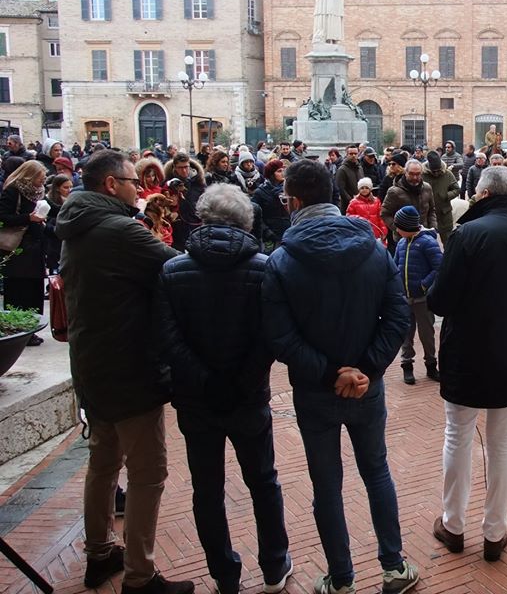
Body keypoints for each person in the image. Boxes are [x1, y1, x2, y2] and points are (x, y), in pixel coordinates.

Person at [260, 159, 419, 594]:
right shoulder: (371, 247)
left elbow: (281, 338)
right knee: (376, 472)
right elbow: (398, 313)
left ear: (292, 200)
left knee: (326, 485)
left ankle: (343, 579)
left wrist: (334, 373)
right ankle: (393, 567)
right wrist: (365, 370)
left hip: (316, 390)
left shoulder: (280, 260)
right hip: (364, 387)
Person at [56, 150, 190, 594]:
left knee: (103, 461)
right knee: (147, 473)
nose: (139, 188)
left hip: (92, 364)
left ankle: (100, 553)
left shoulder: (76, 224)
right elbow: (176, 265)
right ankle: (140, 574)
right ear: (110, 185)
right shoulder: (118, 229)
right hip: (129, 367)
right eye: (133, 181)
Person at [156, 185, 291, 594]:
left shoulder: (173, 269)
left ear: (202, 217)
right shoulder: (266, 267)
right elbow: (270, 336)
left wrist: (205, 381)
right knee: (263, 482)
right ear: (245, 221)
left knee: (207, 489)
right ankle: (273, 568)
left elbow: (168, 338)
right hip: (247, 397)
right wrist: (241, 381)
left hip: (197, 400)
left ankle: (224, 575)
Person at [428, 166, 507, 563]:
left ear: (481, 194)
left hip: (468, 353)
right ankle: (495, 533)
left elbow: (441, 301)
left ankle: (454, 524)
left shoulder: (467, 233)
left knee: (457, 437)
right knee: (502, 444)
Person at [393, 205, 442, 385]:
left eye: (399, 226)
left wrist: (423, 285)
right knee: (406, 333)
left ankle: (431, 364)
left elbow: (438, 267)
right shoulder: (401, 243)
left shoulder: (427, 243)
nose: (396, 229)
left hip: (422, 299)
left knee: (426, 333)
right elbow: (394, 266)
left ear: (407, 227)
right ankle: (407, 365)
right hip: (405, 298)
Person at [0, 160, 49, 339]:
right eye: (40, 178)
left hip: (35, 249)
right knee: (19, 291)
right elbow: (3, 217)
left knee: (34, 290)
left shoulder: (37, 192)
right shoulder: (13, 190)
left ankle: (31, 329)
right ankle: (18, 330)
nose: (42, 182)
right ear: (30, 175)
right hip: (18, 250)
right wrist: (28, 218)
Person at [380, 160, 437, 238]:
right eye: (411, 174)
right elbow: (385, 213)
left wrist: (433, 228)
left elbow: (432, 210)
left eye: (418, 174)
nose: (415, 177)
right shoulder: (394, 192)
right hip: (403, 239)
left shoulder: (427, 188)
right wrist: (398, 230)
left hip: (424, 235)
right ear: (405, 172)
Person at [165, 153, 205, 250]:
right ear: (174, 167)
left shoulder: (198, 183)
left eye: (186, 167)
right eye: (180, 167)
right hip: (177, 228)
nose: (184, 170)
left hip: (197, 225)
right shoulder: (168, 184)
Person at [252, 160, 290, 251]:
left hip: (287, 232)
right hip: (270, 234)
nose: (283, 173)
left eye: (283, 170)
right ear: (271, 174)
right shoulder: (260, 192)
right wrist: (266, 231)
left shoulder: (288, 189)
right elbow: (254, 214)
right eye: (279, 171)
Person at [422, 151, 459, 244]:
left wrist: (447, 195)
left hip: (444, 213)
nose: (436, 173)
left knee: (448, 241)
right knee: (427, 242)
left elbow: (457, 189)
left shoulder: (447, 174)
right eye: (434, 171)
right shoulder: (422, 175)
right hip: (427, 214)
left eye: (438, 171)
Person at [44, 173, 73, 274]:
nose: (69, 190)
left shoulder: (71, 200)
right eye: (65, 187)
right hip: (53, 242)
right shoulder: (49, 201)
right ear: (57, 188)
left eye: (71, 187)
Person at [345, 177, 388, 244]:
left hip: (375, 233)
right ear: (359, 189)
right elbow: (349, 217)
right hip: (360, 233)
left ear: (370, 189)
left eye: (367, 188)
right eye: (362, 188)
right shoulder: (353, 202)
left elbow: (380, 218)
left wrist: (383, 231)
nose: (364, 190)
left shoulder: (376, 201)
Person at [335, 145, 362, 213]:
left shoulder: (360, 168)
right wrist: (351, 200)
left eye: (355, 154)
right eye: (351, 154)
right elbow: (341, 189)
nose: (353, 155)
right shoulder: (342, 170)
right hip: (347, 206)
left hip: (361, 204)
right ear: (347, 155)